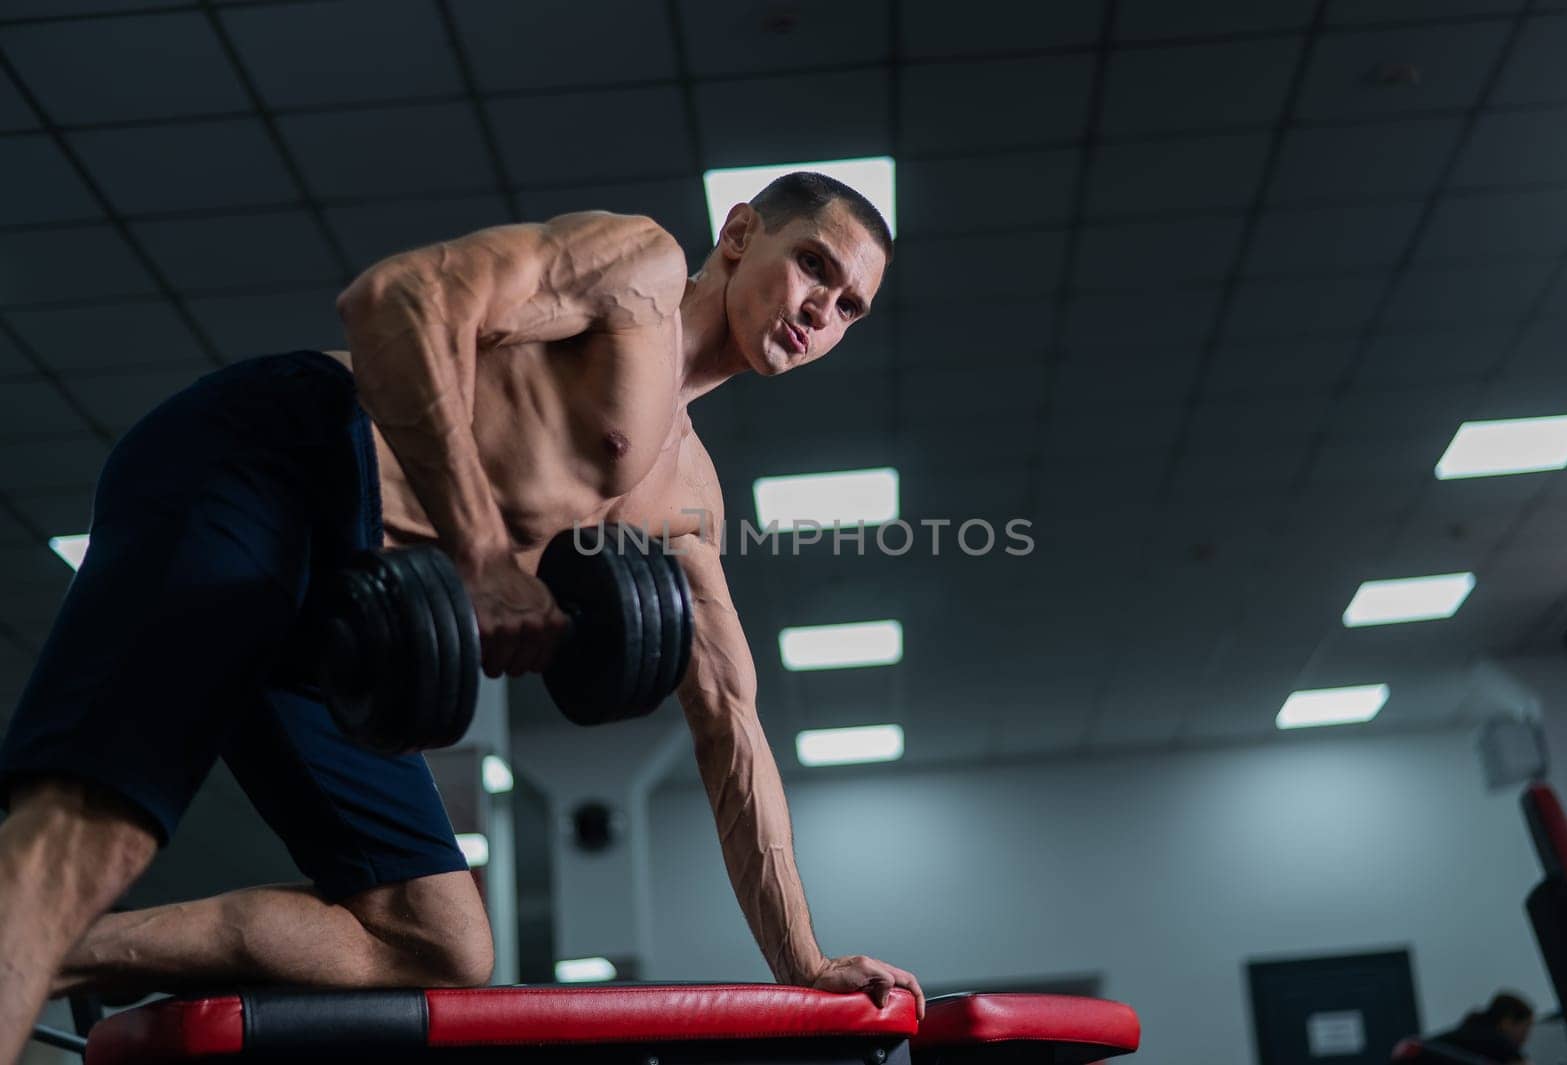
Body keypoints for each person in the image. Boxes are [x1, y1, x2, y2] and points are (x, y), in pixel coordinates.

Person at [0, 171, 924, 1062]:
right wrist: (482, 559)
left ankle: (80, 949)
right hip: (275, 454)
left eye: (850, 308)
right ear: (737, 235)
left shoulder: (687, 497)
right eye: (815, 267)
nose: (822, 311)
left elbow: (732, 723)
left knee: (439, 941)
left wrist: (804, 959)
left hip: (350, 597)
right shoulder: (637, 269)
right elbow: (393, 298)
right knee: (96, 828)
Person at [1430, 993, 1536, 1064]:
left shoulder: (1464, 1034)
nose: (1525, 1038)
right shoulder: (1498, 1043)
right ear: (1506, 1023)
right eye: (1525, 1030)